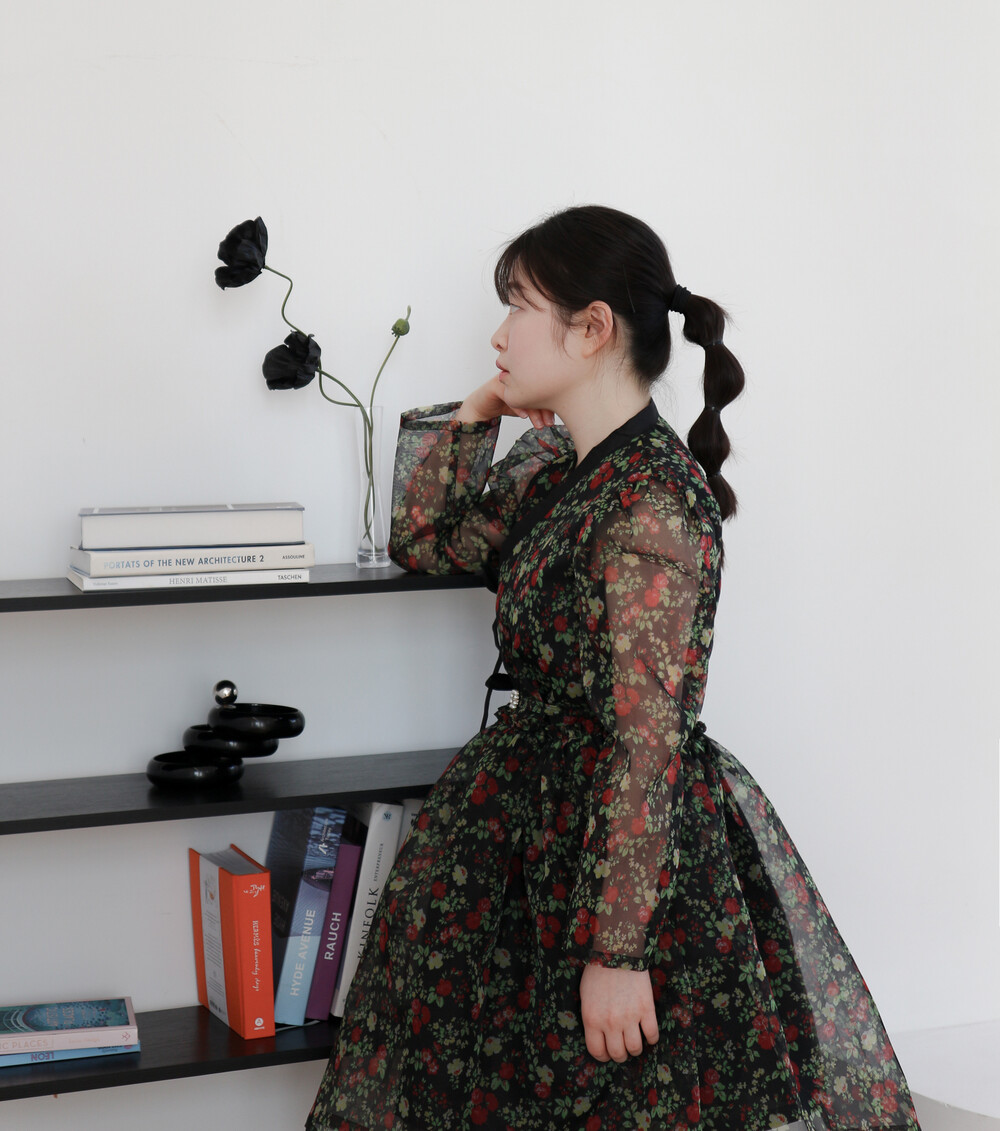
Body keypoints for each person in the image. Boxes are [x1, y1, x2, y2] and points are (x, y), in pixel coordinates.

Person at [307, 206, 920, 1131]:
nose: (498, 334)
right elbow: (426, 540)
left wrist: (619, 954)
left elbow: (646, 740)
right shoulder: (554, 460)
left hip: (613, 856)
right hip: (521, 831)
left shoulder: (655, 502)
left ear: (592, 327)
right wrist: (477, 412)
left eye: (518, 306)